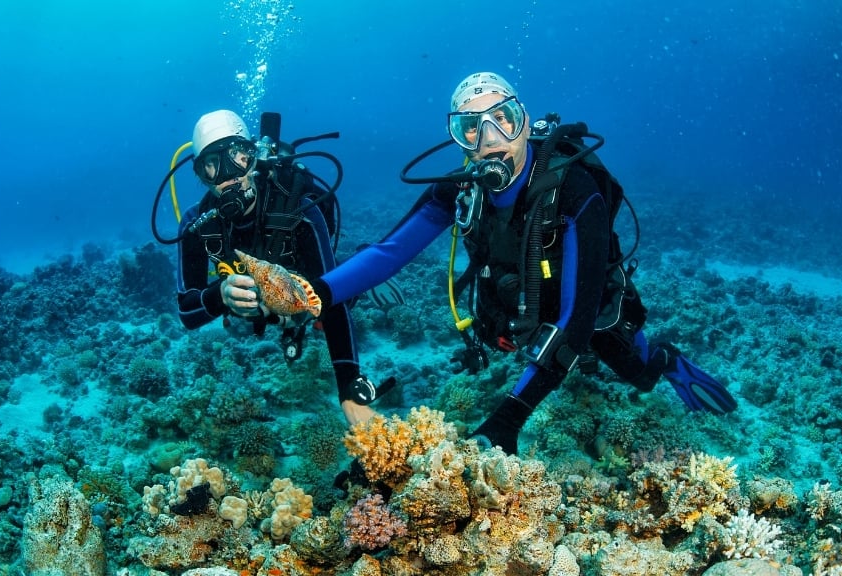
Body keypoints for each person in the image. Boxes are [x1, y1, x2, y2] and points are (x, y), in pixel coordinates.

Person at [309, 72, 736, 454]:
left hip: (585, 306)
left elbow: (576, 319)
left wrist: (507, 421)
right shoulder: (461, 192)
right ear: (459, 139)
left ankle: (667, 360)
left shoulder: (574, 189)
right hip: (519, 306)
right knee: (499, 331)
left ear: (526, 124)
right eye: (471, 127)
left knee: (637, 374)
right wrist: (312, 293)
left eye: (503, 119)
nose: (491, 138)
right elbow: (388, 253)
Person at [175, 109, 379, 426]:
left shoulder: (299, 208)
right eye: (212, 165)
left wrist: (349, 390)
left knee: (343, 296)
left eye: (236, 157)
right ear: (201, 175)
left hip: (307, 290)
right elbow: (187, 313)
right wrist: (221, 295)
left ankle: (367, 265)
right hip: (258, 306)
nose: (228, 175)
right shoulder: (196, 224)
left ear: (253, 157)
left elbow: (333, 300)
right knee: (248, 323)